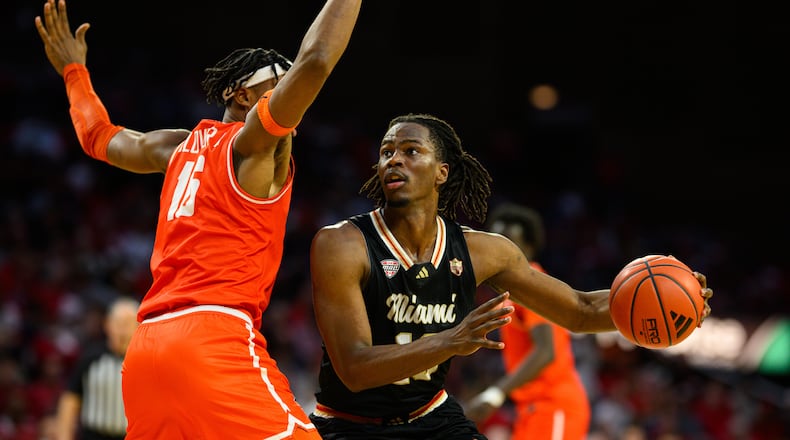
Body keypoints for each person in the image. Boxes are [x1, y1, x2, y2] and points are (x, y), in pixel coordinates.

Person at [34, 0, 362, 437]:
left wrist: (75, 72)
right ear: (241, 95)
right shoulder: (255, 147)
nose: (292, 98)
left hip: (147, 348)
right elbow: (317, 60)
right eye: (281, 85)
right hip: (212, 336)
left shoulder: (175, 147)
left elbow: (99, 136)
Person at [307, 113, 713, 439]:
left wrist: (674, 307)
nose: (393, 159)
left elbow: (581, 310)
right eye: (386, 151)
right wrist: (450, 340)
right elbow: (355, 369)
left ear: (442, 172)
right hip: (349, 424)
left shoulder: (485, 251)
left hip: (431, 417)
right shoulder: (342, 244)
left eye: (411, 150)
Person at [464, 203, 591, 440]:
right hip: (531, 408)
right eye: (497, 241)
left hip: (553, 404)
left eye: (509, 241)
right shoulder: (511, 291)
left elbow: (546, 351)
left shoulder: (534, 283)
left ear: (529, 247)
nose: (498, 250)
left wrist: (496, 393)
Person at [54, 297, 140, 440]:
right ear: (107, 324)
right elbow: (70, 400)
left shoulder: (146, 361)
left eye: (128, 323)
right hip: (93, 435)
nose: (122, 329)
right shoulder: (90, 358)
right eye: (118, 323)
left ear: (138, 325)